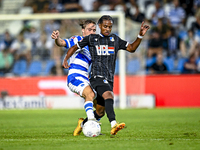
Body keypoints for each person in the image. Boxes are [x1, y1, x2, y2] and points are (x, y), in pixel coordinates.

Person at [62, 15, 150, 135]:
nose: (108, 29)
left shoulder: (115, 40)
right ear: (99, 26)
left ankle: (82, 124)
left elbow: (132, 48)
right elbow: (74, 47)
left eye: (110, 27)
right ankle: (114, 124)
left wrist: (140, 35)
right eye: (105, 26)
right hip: (96, 76)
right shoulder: (92, 39)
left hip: (109, 78)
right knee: (109, 95)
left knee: (100, 111)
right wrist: (66, 59)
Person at [51, 20, 99, 136]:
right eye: (89, 30)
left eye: (94, 30)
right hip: (75, 76)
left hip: (85, 78)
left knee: (99, 105)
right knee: (90, 94)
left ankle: (83, 125)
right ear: (83, 30)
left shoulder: (94, 46)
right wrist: (57, 38)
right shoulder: (78, 39)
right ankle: (92, 123)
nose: (92, 32)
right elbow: (62, 43)